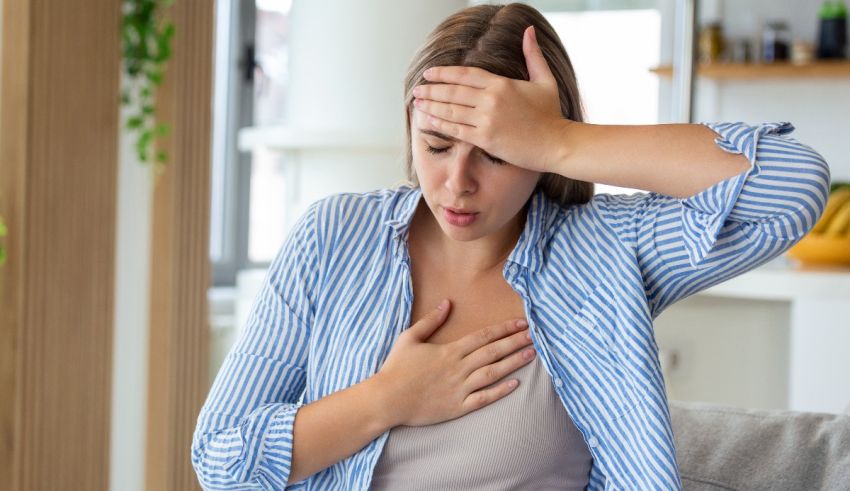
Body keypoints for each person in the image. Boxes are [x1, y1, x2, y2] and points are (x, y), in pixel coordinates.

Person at [191, 3, 831, 490]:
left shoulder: (604, 248)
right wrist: (390, 397)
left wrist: (560, 141)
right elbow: (220, 457)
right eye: (437, 146)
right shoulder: (334, 238)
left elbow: (793, 186)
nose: (457, 183)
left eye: (498, 154)